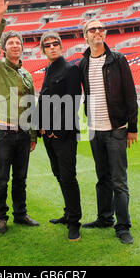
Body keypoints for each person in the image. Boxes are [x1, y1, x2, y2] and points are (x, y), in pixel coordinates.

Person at [79, 19, 138, 244]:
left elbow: (130, 95)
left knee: (119, 180)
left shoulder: (118, 60)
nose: (97, 32)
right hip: (95, 129)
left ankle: (122, 226)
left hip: (116, 129)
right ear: (85, 36)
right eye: (93, 29)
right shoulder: (83, 63)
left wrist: (132, 127)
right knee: (102, 177)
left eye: (100, 28)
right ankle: (104, 218)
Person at [0, 0, 39, 234]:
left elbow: (31, 105)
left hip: (23, 134)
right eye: (11, 43)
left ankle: (20, 214)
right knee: (1, 179)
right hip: (2, 133)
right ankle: (0, 217)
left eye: (18, 42)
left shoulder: (26, 74)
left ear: (22, 48)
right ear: (5, 48)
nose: (15, 45)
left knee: (20, 178)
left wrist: (33, 135)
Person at [37, 31, 82, 241]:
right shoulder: (49, 69)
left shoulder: (70, 69)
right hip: (49, 135)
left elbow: (72, 103)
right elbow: (44, 101)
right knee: (59, 174)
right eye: (48, 45)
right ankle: (67, 213)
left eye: (55, 44)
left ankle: (75, 223)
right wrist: (39, 127)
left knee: (68, 177)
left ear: (61, 46)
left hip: (63, 135)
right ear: (43, 50)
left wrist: (57, 130)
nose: (52, 47)